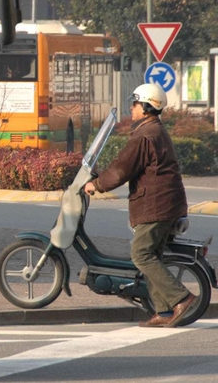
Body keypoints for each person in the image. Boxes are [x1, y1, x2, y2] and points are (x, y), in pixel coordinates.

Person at [83, 83, 196, 328]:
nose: (131, 108)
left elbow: (122, 168)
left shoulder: (145, 135)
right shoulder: (154, 130)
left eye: (135, 104)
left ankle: (181, 298)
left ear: (146, 107)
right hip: (165, 203)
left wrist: (97, 184)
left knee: (141, 254)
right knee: (151, 255)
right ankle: (164, 312)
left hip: (157, 205)